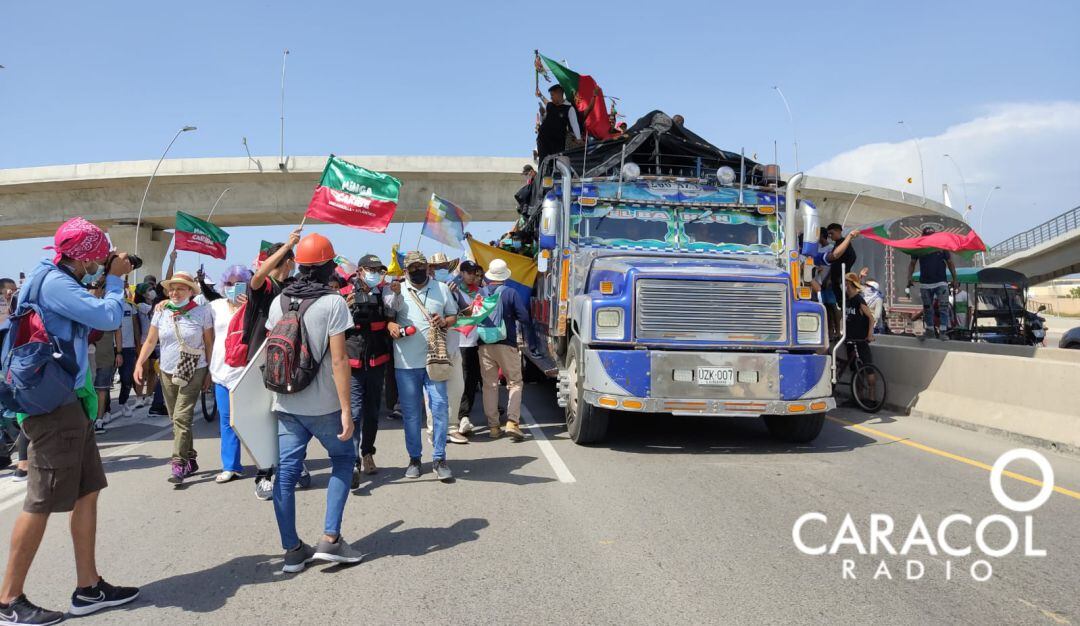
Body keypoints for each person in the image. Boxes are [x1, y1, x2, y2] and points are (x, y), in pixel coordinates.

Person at [0, 217, 139, 624]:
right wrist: (115, 280)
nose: (100, 262)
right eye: (97, 257)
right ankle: (8, 600)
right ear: (82, 258)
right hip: (53, 407)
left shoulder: (55, 277)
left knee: (87, 491)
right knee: (40, 502)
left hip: (68, 401)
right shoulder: (55, 283)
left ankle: (88, 587)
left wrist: (102, 281)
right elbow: (108, 318)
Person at [264, 233, 363, 573]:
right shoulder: (333, 303)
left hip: (286, 402)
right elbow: (339, 360)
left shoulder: (279, 300)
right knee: (343, 459)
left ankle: (292, 550)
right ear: (327, 267)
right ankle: (330, 539)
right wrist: (347, 409)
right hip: (324, 405)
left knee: (286, 475)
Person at [246, 230, 311, 500]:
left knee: (291, 415)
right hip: (261, 361)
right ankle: (264, 474)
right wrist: (288, 245)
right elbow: (258, 276)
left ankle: (294, 465)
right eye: (289, 259)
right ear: (287, 260)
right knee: (265, 418)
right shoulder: (264, 287)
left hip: (290, 361)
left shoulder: (293, 287)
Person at [133, 271, 213, 485]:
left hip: (194, 368)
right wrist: (139, 363)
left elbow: (209, 343)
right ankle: (190, 457)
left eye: (180, 289)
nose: (175, 292)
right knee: (175, 418)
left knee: (182, 417)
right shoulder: (161, 311)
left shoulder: (202, 312)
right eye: (172, 289)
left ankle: (178, 463)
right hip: (167, 370)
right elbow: (151, 341)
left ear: (190, 291)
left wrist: (210, 372)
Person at [387, 251, 457, 481]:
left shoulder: (442, 289)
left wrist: (444, 321)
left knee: (440, 408)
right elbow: (388, 317)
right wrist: (391, 326)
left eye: (420, 266)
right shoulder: (397, 290)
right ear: (405, 271)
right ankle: (414, 459)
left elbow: (453, 316)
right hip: (406, 363)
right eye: (412, 268)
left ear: (427, 267)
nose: (417, 270)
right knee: (411, 415)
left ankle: (439, 458)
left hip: (435, 360)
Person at [344, 254, 394, 488]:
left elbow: (392, 317)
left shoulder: (384, 294)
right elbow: (333, 327)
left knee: (372, 412)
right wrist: (346, 307)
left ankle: (367, 453)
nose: (375, 274)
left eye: (378, 270)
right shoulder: (344, 293)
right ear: (360, 271)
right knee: (354, 413)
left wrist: (395, 297)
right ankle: (352, 461)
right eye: (371, 270)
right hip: (353, 363)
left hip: (376, 360)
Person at [207, 265, 252, 484]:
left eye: (239, 283)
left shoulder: (254, 307)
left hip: (246, 372)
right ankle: (231, 466)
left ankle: (267, 461)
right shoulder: (214, 307)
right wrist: (163, 304)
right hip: (221, 372)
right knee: (226, 420)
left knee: (250, 419)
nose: (233, 287)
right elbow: (191, 314)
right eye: (229, 283)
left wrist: (250, 307)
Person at [477, 259, 530, 442]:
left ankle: (493, 427)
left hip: (484, 343)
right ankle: (512, 422)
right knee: (514, 382)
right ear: (505, 276)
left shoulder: (480, 293)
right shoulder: (510, 293)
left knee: (489, 385)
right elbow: (524, 317)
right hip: (506, 343)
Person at [426, 253, 468, 446]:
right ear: (430, 270)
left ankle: (452, 427)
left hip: (453, 346)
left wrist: (456, 294)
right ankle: (433, 430)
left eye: (444, 266)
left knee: (457, 389)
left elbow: (467, 311)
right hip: (434, 349)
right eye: (437, 267)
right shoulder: (427, 290)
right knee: (433, 392)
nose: (441, 269)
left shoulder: (452, 289)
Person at [906, 227, 959, 338]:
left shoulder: (942, 247)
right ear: (923, 237)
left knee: (943, 307)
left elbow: (950, 262)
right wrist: (909, 277)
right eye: (927, 237)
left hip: (941, 282)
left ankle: (943, 331)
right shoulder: (918, 248)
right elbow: (912, 263)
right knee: (927, 308)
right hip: (925, 283)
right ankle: (930, 330)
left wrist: (955, 279)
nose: (929, 239)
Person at [454, 261, 484, 433]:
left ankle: (464, 415)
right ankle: (460, 416)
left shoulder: (480, 292)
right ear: (462, 273)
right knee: (462, 380)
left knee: (472, 380)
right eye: (469, 272)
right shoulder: (454, 290)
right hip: (459, 341)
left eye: (475, 273)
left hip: (476, 341)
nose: (473, 276)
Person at [843, 272, 877, 398]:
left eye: (845, 282)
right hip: (849, 340)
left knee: (868, 368)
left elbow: (871, 318)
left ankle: (872, 397)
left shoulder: (859, 300)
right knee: (855, 370)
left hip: (860, 340)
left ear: (848, 284)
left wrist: (869, 335)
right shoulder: (847, 300)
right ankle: (859, 397)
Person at [535, 84, 582, 164]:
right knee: (543, 161)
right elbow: (546, 102)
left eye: (552, 95)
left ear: (559, 94)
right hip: (543, 139)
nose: (551, 97)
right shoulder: (550, 105)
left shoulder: (569, 108)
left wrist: (578, 138)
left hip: (557, 142)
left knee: (555, 162)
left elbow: (574, 124)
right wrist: (540, 95)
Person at [90, 326, 121, 430]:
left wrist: (119, 353)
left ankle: (99, 420)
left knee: (102, 389)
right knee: (90, 390)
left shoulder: (110, 316)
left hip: (106, 357)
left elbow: (118, 331)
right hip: (88, 356)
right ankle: (91, 418)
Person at [115, 296, 140, 418]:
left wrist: (138, 345)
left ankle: (123, 402)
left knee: (127, 378)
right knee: (105, 381)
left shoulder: (130, 305)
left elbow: (135, 326)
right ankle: (106, 410)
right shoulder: (105, 303)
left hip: (128, 347)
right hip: (111, 347)